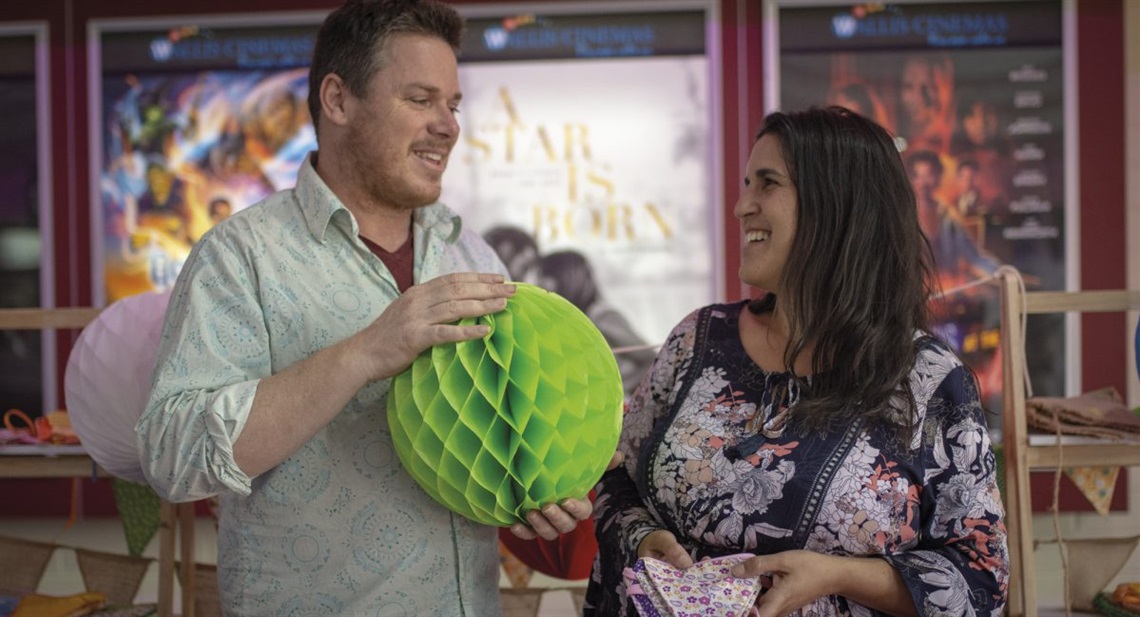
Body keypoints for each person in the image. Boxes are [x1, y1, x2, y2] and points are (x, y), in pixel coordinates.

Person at [137, 1, 593, 614]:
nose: (448, 125)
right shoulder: (239, 256)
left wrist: (538, 497)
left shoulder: (470, 251)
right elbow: (173, 456)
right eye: (420, 99)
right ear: (339, 100)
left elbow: (498, 435)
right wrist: (362, 354)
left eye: (452, 105)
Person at [585, 107, 1008, 617]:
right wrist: (644, 536)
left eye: (768, 184)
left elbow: (981, 577)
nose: (743, 206)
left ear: (839, 206)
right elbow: (617, 478)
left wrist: (837, 575)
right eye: (747, 183)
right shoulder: (696, 340)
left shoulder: (928, 381)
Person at [535, 250, 657, 399]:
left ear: (566, 278)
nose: (538, 283)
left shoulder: (601, 317)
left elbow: (652, 360)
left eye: (545, 276)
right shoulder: (574, 321)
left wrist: (617, 389)